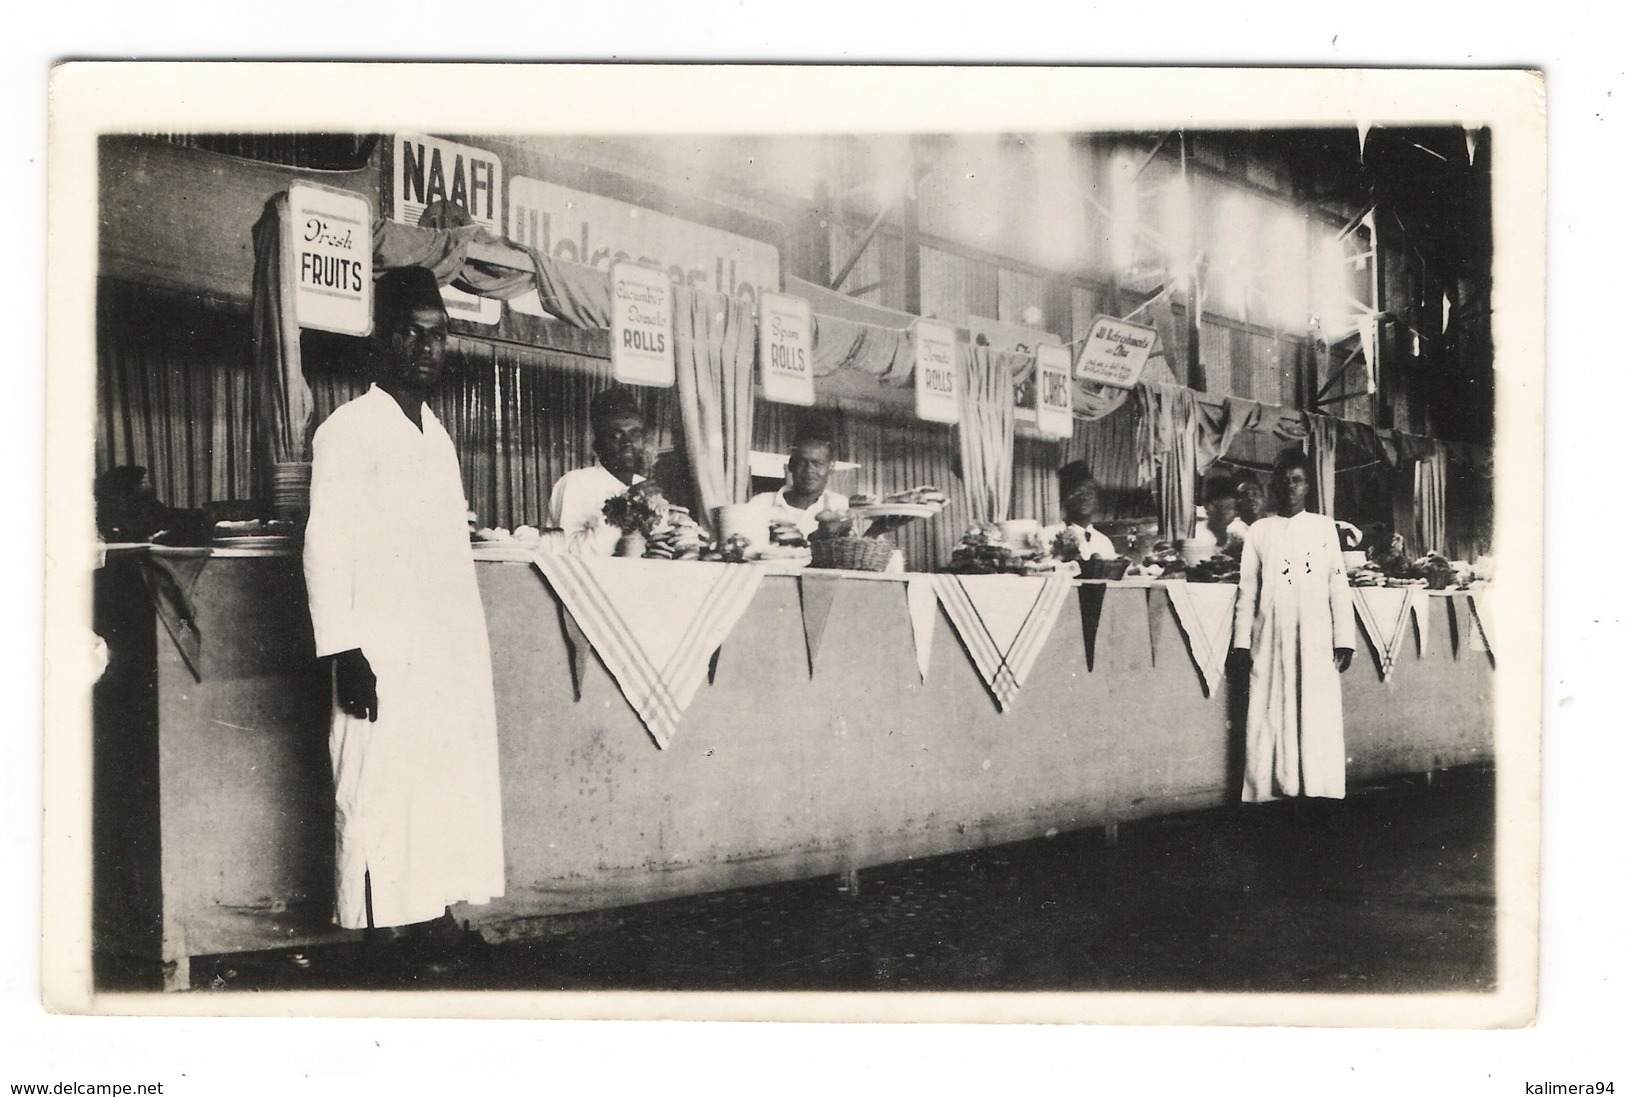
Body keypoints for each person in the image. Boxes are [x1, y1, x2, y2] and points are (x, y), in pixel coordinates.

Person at [302, 266, 505, 934]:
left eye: (436, 335)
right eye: (408, 333)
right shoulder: (348, 427)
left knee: (438, 780)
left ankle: (428, 915)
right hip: (379, 649)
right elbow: (324, 544)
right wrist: (344, 650)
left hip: (439, 649)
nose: (425, 348)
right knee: (377, 784)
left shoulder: (437, 436)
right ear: (380, 342)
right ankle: (378, 932)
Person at [1230, 449, 1356, 803]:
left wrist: (1344, 638)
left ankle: (1318, 787)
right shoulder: (1259, 531)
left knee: (1315, 709)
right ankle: (1268, 790)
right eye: (1283, 480)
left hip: (1314, 636)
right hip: (1270, 637)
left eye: (1297, 480)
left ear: (1307, 487)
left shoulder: (1324, 528)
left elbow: (1337, 585)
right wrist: (1241, 644)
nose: (1290, 487)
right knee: (1269, 710)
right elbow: (1247, 591)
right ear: (1274, 485)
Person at [546, 387, 648, 554]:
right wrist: (627, 505)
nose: (627, 443)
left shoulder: (642, 485)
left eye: (635, 434)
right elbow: (566, 552)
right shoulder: (576, 482)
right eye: (616, 435)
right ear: (598, 445)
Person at [747, 435, 849, 537]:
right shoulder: (760, 503)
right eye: (802, 463)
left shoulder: (840, 505)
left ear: (831, 468)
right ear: (791, 465)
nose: (809, 470)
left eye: (817, 463)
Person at [1040, 460, 1117, 559]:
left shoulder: (1104, 542)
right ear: (1064, 498)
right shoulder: (1049, 536)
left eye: (1089, 491)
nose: (1084, 498)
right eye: (1077, 492)